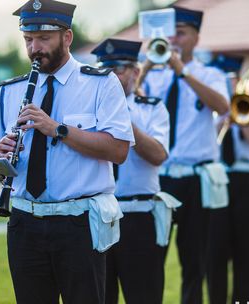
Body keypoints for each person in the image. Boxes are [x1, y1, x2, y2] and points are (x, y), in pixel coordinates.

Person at [0, 1, 134, 303]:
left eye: (44, 38)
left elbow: (118, 150)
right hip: (24, 222)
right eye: (28, 39)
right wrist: (0, 155)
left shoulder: (101, 83)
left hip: (78, 223)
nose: (34, 48)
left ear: (67, 37)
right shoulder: (10, 90)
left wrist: (58, 129)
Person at [140, 6, 230, 304]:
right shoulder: (153, 76)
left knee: (194, 261)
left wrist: (184, 72)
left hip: (195, 180)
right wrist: (146, 67)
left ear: (195, 37)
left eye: (180, 33)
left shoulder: (209, 74)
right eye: (170, 33)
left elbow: (222, 105)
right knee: (151, 259)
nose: (173, 39)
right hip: (160, 179)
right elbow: (126, 99)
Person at [91, 38, 173, 304]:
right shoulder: (90, 109)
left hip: (138, 216)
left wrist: (124, 120)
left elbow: (158, 155)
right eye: (105, 68)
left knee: (144, 296)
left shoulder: (152, 108)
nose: (110, 75)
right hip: (98, 216)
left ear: (136, 72)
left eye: (118, 68)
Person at [207, 54, 249, 304]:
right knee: (215, 253)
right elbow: (204, 143)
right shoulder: (206, 109)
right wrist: (222, 120)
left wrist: (240, 114)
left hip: (247, 180)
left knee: (247, 253)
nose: (227, 83)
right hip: (217, 178)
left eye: (232, 79)